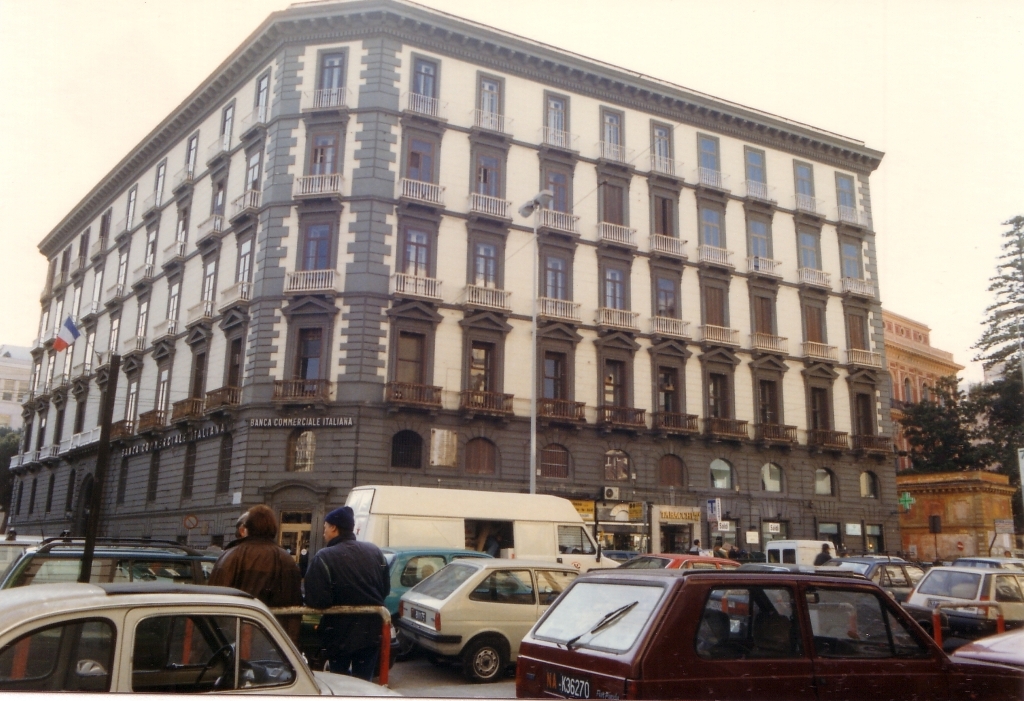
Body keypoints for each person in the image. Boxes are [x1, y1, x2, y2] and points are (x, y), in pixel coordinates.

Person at [305, 506, 390, 681]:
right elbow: (385, 590)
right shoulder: (375, 551)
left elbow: (318, 600)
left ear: (334, 528)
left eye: (325, 527)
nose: (324, 533)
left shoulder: (323, 557)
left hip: (338, 632)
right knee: (364, 683)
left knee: (340, 683)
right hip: (371, 632)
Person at [207, 505, 303, 641]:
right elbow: (294, 608)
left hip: (234, 639)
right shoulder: (287, 560)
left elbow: (214, 601)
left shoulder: (230, 556)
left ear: (247, 527)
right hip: (273, 640)